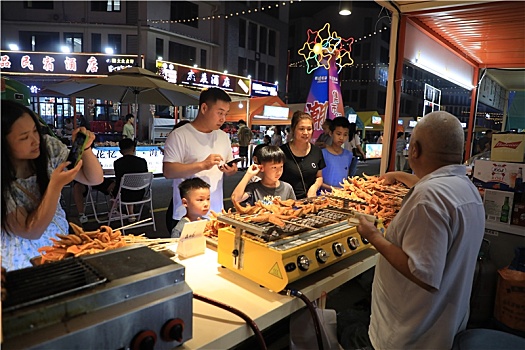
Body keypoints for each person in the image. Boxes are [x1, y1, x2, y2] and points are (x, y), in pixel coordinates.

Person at [356, 111, 485, 349]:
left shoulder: (428, 200)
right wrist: (398, 175)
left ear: (414, 149)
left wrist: (373, 235)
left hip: (411, 334)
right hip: (444, 325)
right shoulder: (467, 189)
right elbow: (432, 183)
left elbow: (422, 273)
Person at [1, 100, 103, 271]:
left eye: (35, 131)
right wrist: (55, 185)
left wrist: (85, 149)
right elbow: (31, 231)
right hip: (16, 266)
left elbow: (94, 179)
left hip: (58, 251)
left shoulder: (48, 147)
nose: (35, 140)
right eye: (24, 137)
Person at [163, 87, 237, 233]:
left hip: (215, 213)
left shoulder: (223, 137)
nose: (223, 119)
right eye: (220, 113)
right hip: (187, 215)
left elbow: (230, 166)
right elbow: (168, 171)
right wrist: (202, 165)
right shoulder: (180, 135)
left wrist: (231, 170)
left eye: (226, 114)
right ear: (204, 108)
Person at [280, 111, 325, 199]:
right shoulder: (281, 152)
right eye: (301, 129)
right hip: (286, 202)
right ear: (293, 129)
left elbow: (319, 177)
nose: (305, 133)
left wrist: (314, 188)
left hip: (310, 201)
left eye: (309, 129)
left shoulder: (317, 151)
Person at [113, 138, 149, 222]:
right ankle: (131, 214)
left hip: (124, 196)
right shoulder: (142, 162)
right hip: (140, 193)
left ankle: (116, 211)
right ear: (133, 149)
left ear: (121, 151)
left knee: (116, 187)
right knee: (129, 186)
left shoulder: (117, 163)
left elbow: (118, 181)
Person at [320, 117, 353, 192]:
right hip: (323, 197)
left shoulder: (349, 155)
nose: (341, 138)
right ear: (331, 133)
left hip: (342, 196)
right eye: (338, 134)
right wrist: (334, 189)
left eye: (345, 135)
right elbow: (317, 180)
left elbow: (347, 177)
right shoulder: (321, 154)